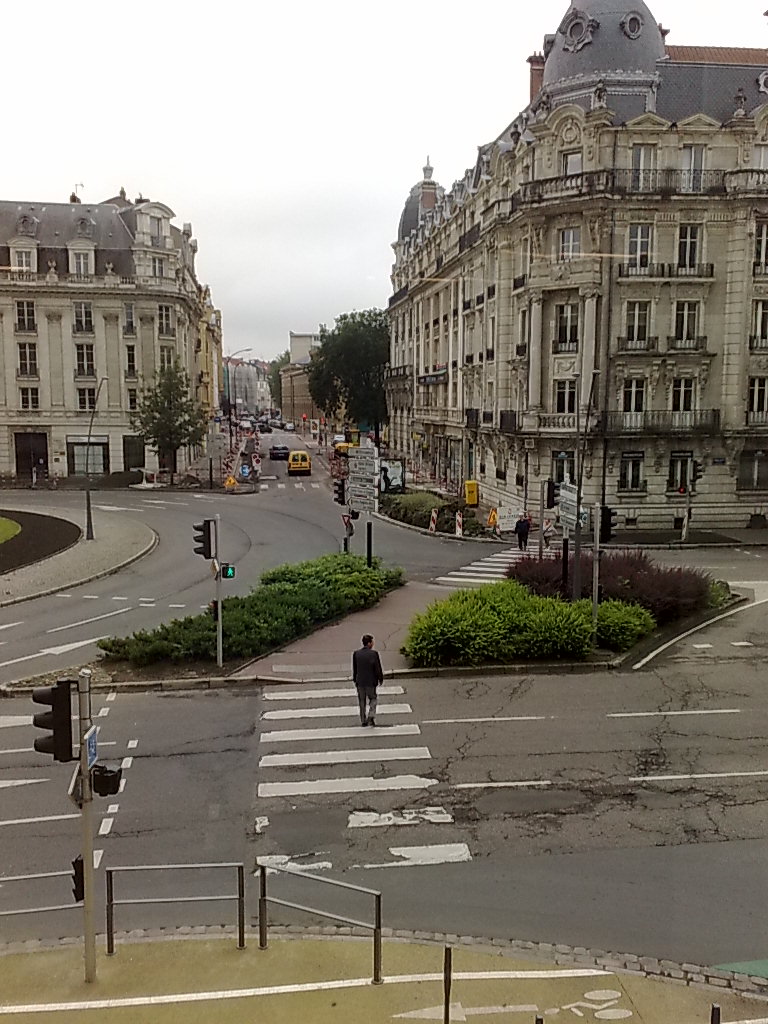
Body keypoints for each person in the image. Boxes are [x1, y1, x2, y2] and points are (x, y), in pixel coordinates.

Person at [352, 633, 384, 726]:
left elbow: (355, 668)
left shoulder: (356, 654)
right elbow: (377, 668)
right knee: (373, 699)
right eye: (372, 642)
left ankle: (363, 720)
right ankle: (371, 715)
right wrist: (380, 678)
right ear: (369, 643)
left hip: (360, 681)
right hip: (371, 682)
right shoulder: (374, 654)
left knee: (362, 701)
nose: (373, 644)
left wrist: (355, 679)